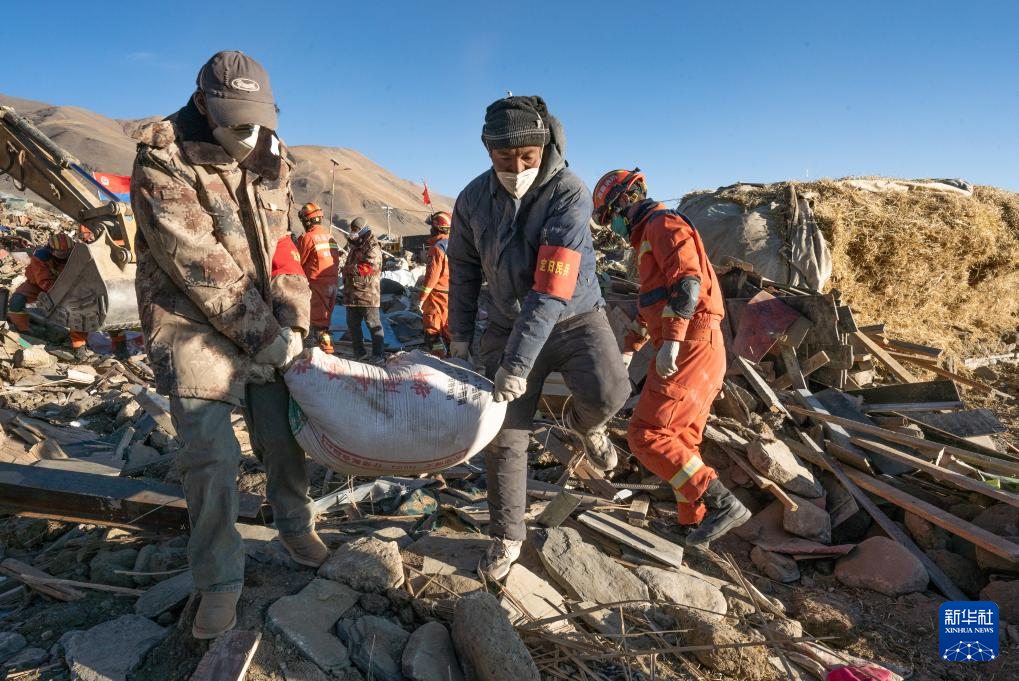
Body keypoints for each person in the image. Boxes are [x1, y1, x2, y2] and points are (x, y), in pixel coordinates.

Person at [131, 50, 327, 639]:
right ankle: (218, 577)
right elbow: (197, 262)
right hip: (189, 321)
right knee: (210, 457)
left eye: (257, 120)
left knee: (283, 432)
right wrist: (265, 337)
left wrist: (293, 321)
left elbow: (284, 248)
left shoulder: (272, 154)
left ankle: (294, 523)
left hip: (264, 316)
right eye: (235, 121)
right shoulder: (162, 158)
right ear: (203, 104)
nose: (248, 134)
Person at [448, 95, 630, 580]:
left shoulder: (569, 192)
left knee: (612, 392)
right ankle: (506, 536)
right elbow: (463, 273)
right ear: (488, 152)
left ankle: (588, 427)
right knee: (505, 435)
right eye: (504, 158)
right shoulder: (471, 200)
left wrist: (518, 365)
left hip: (574, 317)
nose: (516, 167)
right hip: (506, 324)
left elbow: (552, 288)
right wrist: (460, 338)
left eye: (526, 156)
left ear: (544, 145)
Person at [591, 168, 750, 547]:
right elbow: (655, 303)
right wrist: (631, 346)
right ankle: (689, 524)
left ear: (622, 202)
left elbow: (687, 283)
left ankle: (724, 503)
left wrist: (673, 342)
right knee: (680, 440)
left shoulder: (662, 224)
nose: (610, 225)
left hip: (691, 345)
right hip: (701, 347)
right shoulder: (648, 237)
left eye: (608, 216)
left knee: (646, 434)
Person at [7, 233, 92, 360]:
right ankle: (23, 332)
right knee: (17, 301)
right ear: (51, 250)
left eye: (67, 252)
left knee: (79, 311)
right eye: (61, 253)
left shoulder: (78, 255)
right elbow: (44, 281)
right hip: (37, 284)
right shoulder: (41, 257)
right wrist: (55, 296)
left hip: (69, 287)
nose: (64, 255)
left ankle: (78, 347)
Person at [296, 202, 340, 347]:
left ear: (306, 220)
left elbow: (299, 261)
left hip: (317, 283)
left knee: (316, 321)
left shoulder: (308, 237)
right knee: (325, 320)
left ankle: (319, 353)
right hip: (333, 284)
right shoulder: (330, 237)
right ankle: (325, 351)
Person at [342, 216, 384, 362]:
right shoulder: (356, 245)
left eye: (355, 230)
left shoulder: (372, 246)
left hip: (367, 294)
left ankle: (378, 355)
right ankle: (359, 353)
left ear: (363, 230)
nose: (353, 233)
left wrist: (347, 269)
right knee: (353, 326)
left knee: (373, 325)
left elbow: (369, 268)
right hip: (351, 294)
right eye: (352, 230)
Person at [416, 211, 451, 354]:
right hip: (452, 294)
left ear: (437, 227)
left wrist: (422, 298)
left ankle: (438, 359)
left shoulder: (437, 248)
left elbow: (432, 277)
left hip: (437, 296)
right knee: (449, 329)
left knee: (432, 330)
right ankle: (455, 359)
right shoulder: (456, 244)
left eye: (432, 226)